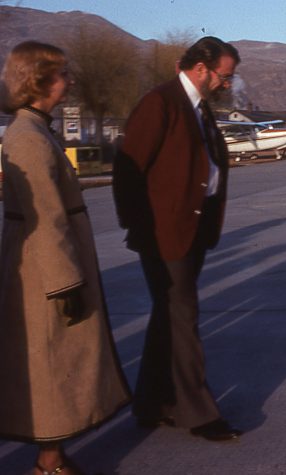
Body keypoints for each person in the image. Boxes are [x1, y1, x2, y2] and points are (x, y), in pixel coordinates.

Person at [0, 41, 131, 475]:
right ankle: (48, 463)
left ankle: (50, 458)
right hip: (43, 271)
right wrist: (65, 282)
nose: (70, 81)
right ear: (38, 80)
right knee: (49, 364)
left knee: (52, 363)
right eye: (63, 75)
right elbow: (46, 218)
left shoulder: (37, 130)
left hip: (46, 264)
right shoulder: (28, 138)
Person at [112, 36, 243, 441]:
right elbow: (127, 170)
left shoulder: (198, 108)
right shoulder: (161, 102)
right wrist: (140, 230)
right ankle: (199, 414)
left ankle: (153, 404)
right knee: (183, 317)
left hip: (192, 229)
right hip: (164, 234)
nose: (227, 84)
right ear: (201, 69)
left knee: (167, 319)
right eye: (224, 76)